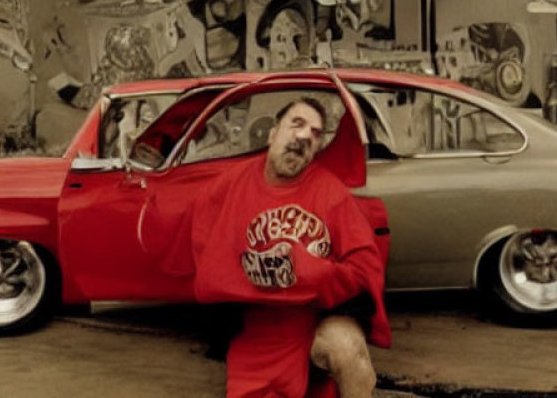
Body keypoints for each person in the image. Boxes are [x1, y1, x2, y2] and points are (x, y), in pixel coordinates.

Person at [140, 96, 390, 398]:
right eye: (296, 124)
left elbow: (365, 268)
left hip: (311, 318)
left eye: (314, 134)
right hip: (254, 328)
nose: (303, 137)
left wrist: (311, 272)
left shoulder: (330, 193)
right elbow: (196, 240)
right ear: (273, 133)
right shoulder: (231, 184)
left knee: (348, 349)